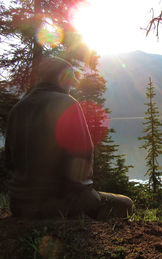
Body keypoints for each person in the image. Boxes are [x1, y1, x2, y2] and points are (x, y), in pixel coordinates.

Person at [5, 56, 133, 219]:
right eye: (71, 78)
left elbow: (9, 163)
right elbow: (83, 157)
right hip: (59, 203)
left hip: (19, 204)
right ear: (62, 78)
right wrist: (84, 193)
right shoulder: (67, 103)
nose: (72, 84)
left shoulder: (17, 108)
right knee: (126, 204)